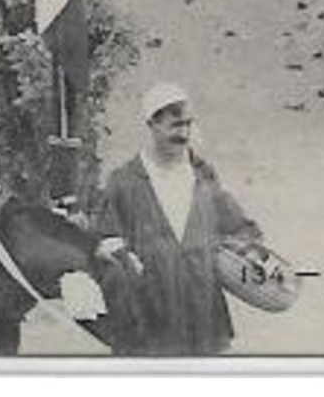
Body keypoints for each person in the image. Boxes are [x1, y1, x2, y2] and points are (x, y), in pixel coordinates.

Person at [94, 83, 263, 355]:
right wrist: (122, 258)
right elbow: (105, 243)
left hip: (204, 318)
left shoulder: (203, 175)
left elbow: (242, 228)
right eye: (175, 125)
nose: (184, 134)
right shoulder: (123, 181)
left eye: (188, 124)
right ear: (152, 124)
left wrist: (246, 254)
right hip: (149, 322)